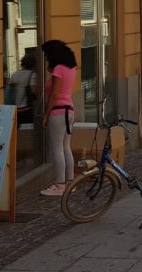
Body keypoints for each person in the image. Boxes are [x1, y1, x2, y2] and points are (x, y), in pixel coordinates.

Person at [39, 40, 77, 196]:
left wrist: (46, 114)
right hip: (69, 110)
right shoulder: (70, 68)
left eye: (47, 56)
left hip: (57, 112)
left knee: (57, 148)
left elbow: (54, 95)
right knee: (66, 147)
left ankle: (60, 185)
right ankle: (70, 182)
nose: (47, 58)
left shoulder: (58, 69)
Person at [10, 54, 38, 125]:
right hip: (26, 109)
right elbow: (33, 90)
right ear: (33, 64)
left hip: (15, 109)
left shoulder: (15, 74)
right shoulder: (32, 75)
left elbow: (10, 89)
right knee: (28, 130)